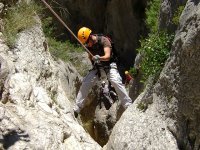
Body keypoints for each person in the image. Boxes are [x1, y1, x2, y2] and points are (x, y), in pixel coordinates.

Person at [73, 27, 132, 118]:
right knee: (86, 82)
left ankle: (128, 105)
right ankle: (77, 108)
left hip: (109, 65)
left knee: (115, 80)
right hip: (98, 67)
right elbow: (90, 56)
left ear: (91, 37)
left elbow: (107, 56)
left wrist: (99, 58)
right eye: (85, 43)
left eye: (87, 42)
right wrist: (94, 60)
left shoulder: (104, 41)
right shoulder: (89, 46)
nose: (87, 44)